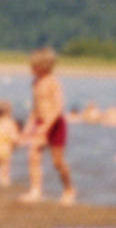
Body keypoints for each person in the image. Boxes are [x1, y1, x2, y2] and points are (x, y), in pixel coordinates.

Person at [20, 47, 76, 204]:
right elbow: (35, 108)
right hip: (40, 122)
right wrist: (28, 127)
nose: (31, 70)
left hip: (56, 123)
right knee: (33, 155)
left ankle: (69, 189)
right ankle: (35, 190)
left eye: (34, 67)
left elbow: (58, 107)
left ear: (44, 67)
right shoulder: (35, 83)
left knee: (57, 162)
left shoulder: (53, 82)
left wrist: (46, 126)